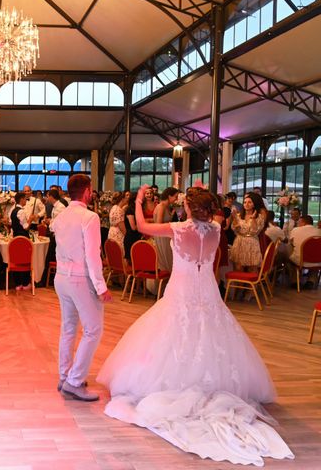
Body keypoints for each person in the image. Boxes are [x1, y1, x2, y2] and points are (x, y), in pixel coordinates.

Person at [97, 185, 293, 466]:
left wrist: (139, 200)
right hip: (207, 293)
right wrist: (202, 195)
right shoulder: (216, 228)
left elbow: (141, 225)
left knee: (173, 337)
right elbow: (218, 219)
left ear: (189, 208)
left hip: (181, 292)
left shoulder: (178, 228)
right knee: (211, 338)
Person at [51, 174, 111, 402]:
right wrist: (101, 286)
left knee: (68, 328)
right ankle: (74, 381)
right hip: (80, 278)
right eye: (91, 189)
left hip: (62, 277)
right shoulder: (90, 217)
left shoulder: (61, 215)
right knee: (93, 329)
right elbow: (93, 255)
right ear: (87, 191)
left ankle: (65, 375)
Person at [230, 192, 265, 274]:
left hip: (252, 243)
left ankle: (251, 286)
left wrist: (252, 219)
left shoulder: (259, 217)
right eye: (245, 202)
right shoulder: (238, 215)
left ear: (254, 204)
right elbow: (235, 228)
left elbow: (255, 230)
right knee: (238, 269)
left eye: (249, 202)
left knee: (252, 269)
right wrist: (235, 217)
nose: (247, 204)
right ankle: (238, 286)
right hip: (239, 242)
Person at [153, 187, 179, 271]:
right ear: (169, 196)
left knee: (170, 260)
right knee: (166, 262)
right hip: (162, 238)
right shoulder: (161, 206)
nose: (176, 199)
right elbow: (158, 224)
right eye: (175, 196)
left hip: (166, 236)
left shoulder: (167, 207)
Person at [123, 193, 142, 262]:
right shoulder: (130, 210)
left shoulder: (137, 209)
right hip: (131, 237)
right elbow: (133, 227)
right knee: (130, 260)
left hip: (136, 236)